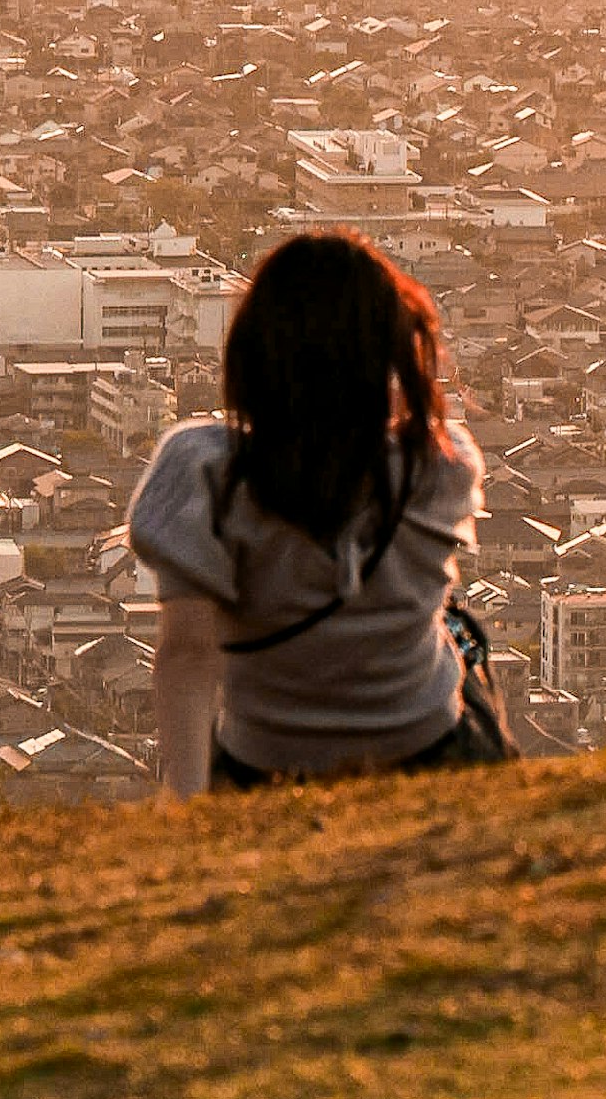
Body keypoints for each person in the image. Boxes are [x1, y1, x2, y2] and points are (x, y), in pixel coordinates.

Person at [125, 227, 498, 791]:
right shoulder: (440, 466)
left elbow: (187, 653)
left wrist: (187, 800)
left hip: (266, 754)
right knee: (461, 633)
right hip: (425, 742)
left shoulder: (205, 472)